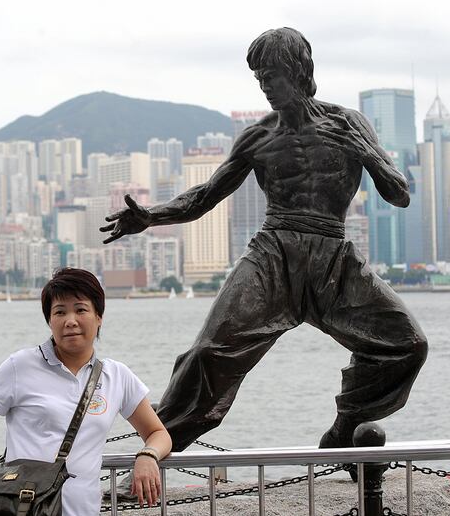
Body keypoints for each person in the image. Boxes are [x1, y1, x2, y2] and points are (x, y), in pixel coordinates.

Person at [100, 27, 428, 453]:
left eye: (271, 74)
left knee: (406, 345)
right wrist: (151, 216)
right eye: (259, 78)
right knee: (206, 355)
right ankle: (154, 453)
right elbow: (205, 196)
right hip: (272, 256)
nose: (266, 86)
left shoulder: (349, 123)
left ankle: (345, 429)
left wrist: (365, 151)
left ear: (298, 70)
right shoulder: (258, 138)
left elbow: (399, 194)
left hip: (332, 257)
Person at [0, 267, 171, 514]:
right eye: (60, 312)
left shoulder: (117, 376)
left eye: (81, 309)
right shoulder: (20, 366)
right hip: (23, 509)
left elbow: (158, 432)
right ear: (50, 321)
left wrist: (147, 456)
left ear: (99, 316)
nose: (70, 321)